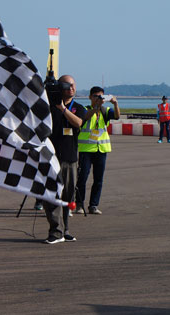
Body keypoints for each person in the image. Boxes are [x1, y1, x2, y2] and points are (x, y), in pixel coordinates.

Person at [42, 75, 86, 244]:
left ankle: (64, 229)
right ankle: (55, 230)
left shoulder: (78, 108)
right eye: (67, 85)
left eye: (73, 85)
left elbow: (78, 123)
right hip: (51, 157)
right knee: (50, 194)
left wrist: (62, 109)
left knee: (68, 196)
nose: (71, 88)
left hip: (69, 158)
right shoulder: (48, 107)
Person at [76, 86, 120, 215]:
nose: (98, 99)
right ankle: (79, 204)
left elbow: (117, 116)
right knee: (82, 178)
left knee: (98, 179)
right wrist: (96, 107)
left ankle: (93, 205)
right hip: (86, 149)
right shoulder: (84, 109)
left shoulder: (105, 110)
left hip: (101, 149)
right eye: (95, 96)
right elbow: (86, 117)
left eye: (100, 96)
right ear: (90, 97)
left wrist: (115, 103)